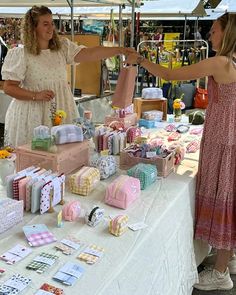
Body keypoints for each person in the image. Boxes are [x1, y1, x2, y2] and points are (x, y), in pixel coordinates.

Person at [126, 13, 236, 291]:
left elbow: (171, 75)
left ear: (227, 33)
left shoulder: (221, 62)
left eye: (214, 30)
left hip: (224, 141)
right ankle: (227, 256)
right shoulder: (231, 61)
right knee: (229, 199)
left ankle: (222, 271)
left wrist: (140, 59)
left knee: (223, 198)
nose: (210, 35)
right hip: (227, 138)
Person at [1, 5, 135, 147]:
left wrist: (120, 50)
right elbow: (9, 87)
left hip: (61, 108)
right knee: (35, 158)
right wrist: (36, 95)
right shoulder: (21, 54)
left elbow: (91, 53)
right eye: (45, 24)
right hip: (31, 115)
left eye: (52, 23)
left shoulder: (62, 48)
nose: (51, 28)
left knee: (63, 155)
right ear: (33, 28)